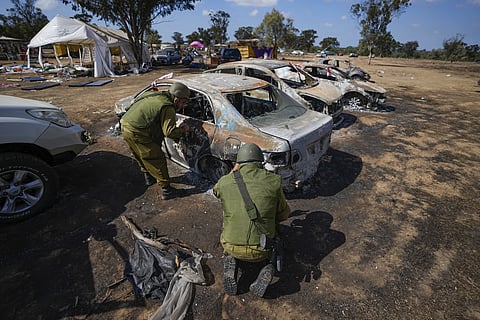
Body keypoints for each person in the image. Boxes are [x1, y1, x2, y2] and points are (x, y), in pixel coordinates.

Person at [213, 143, 290, 297]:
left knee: (228, 217)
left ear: (238, 163)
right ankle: (268, 266)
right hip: (261, 250)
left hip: (230, 245)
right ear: (260, 161)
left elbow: (216, 192)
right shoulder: (273, 181)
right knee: (276, 234)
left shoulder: (224, 182)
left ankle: (230, 258)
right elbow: (283, 215)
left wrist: (231, 174)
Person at [120, 82, 190, 200]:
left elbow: (129, 107)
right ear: (176, 99)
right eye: (183, 102)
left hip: (125, 124)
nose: (183, 106)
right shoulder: (167, 107)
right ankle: (167, 190)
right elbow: (169, 132)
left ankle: (149, 177)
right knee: (156, 158)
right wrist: (183, 130)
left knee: (140, 154)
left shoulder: (152, 94)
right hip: (137, 131)